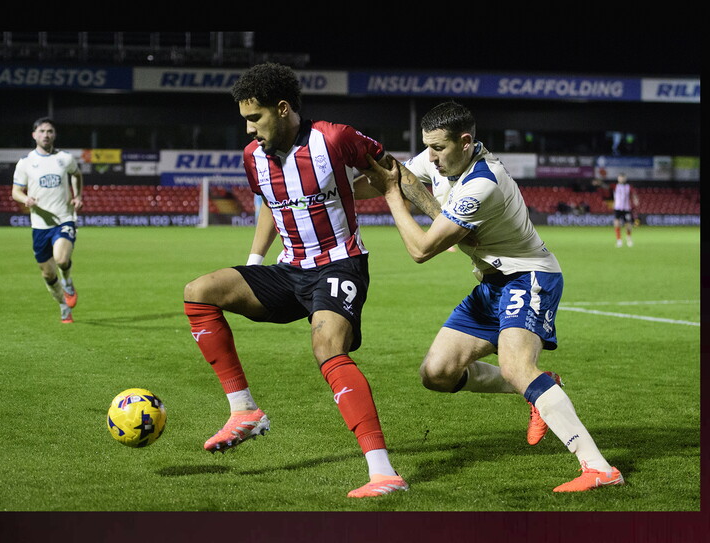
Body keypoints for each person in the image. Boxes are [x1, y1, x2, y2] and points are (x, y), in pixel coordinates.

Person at [362, 101, 624, 492]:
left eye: (438, 149)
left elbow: (420, 250)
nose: (430, 158)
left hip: (529, 277)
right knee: (437, 373)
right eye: (427, 147)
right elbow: (390, 176)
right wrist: (326, 194)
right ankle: (539, 387)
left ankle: (599, 468)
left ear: (465, 142)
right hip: (492, 283)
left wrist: (392, 195)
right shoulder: (439, 157)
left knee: (517, 365)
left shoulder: (483, 183)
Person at [182, 63, 407, 498]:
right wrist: (252, 262)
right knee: (199, 293)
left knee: (327, 347)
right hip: (289, 270)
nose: (249, 130)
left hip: (341, 265)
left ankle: (383, 473)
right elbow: (271, 203)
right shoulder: (253, 157)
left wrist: (441, 225)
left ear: (282, 109)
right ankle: (244, 410)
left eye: (255, 118)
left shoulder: (334, 138)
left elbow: (392, 171)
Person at [11, 117, 83, 323]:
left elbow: (77, 175)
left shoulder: (65, 158)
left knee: (61, 259)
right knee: (47, 274)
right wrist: (26, 199)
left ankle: (68, 282)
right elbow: (15, 191)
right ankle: (63, 305)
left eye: (50, 131)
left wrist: (78, 196)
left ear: (54, 135)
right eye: (42, 131)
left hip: (64, 219)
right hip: (40, 225)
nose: (46, 135)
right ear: (34, 135)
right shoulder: (25, 163)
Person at [613, 173, 640, 247]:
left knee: (628, 225)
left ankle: (629, 238)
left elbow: (633, 193)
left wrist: (635, 199)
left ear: (625, 178)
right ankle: (619, 240)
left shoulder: (629, 187)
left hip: (626, 208)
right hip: (617, 208)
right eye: (620, 178)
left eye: (623, 178)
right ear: (618, 178)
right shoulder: (615, 186)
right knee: (617, 223)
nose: (621, 179)